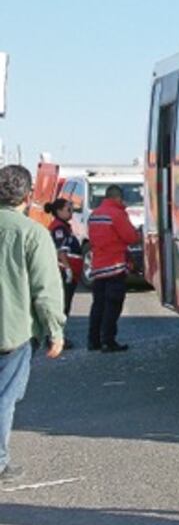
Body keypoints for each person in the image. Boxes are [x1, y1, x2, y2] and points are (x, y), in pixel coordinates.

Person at [0, 165, 66, 483]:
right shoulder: (32, 233)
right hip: (11, 332)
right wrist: (55, 331)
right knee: (4, 398)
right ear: (28, 197)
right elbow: (46, 291)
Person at [87, 184, 139, 352]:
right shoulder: (117, 214)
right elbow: (130, 237)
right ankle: (108, 341)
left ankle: (93, 340)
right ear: (117, 198)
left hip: (98, 266)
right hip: (114, 266)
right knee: (113, 304)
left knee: (98, 305)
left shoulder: (94, 214)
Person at [45, 198, 82, 348]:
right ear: (59, 211)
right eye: (68, 209)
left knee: (64, 306)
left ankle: (56, 336)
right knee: (61, 306)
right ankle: (55, 338)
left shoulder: (64, 226)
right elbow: (60, 250)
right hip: (63, 271)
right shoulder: (59, 228)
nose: (71, 212)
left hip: (68, 270)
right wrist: (67, 269)